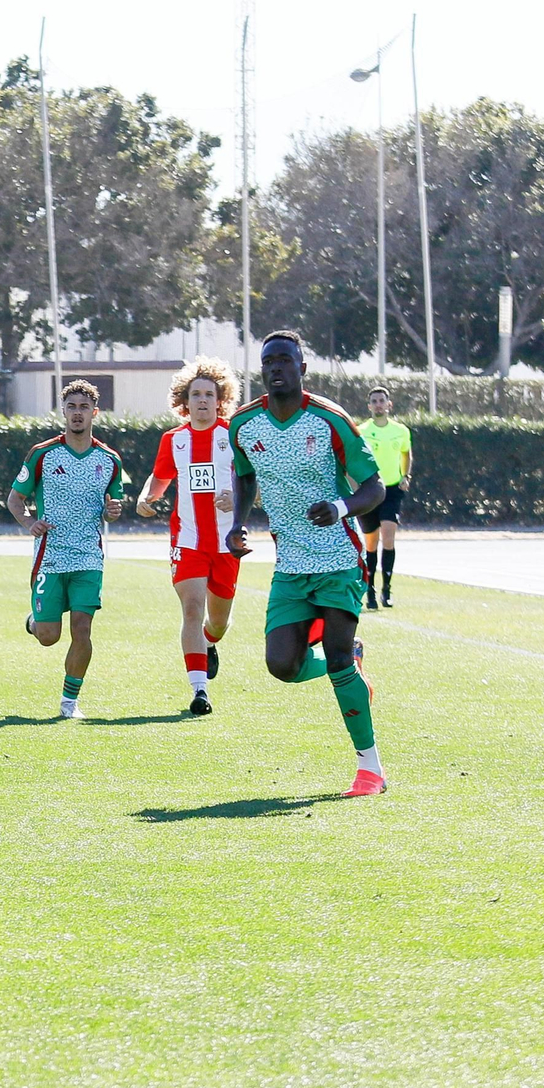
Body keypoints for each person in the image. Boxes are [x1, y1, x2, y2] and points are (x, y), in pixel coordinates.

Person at [225, 331, 389, 797]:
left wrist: (340, 507)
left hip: (339, 557)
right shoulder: (244, 425)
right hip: (290, 565)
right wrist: (237, 523)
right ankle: (353, 659)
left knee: (336, 660)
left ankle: (370, 769)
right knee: (282, 665)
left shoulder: (330, 419)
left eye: (285, 360)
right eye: (268, 362)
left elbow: (374, 487)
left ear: (302, 369)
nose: (276, 367)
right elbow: (244, 475)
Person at [7, 379, 125, 720]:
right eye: (71, 407)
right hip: (50, 556)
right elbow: (15, 499)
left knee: (82, 629)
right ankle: (35, 621)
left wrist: (112, 512)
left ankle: (69, 702)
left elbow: (111, 507)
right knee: (48, 636)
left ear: (94, 413)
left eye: (83, 407)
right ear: (63, 411)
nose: (77, 413)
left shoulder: (109, 459)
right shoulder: (43, 454)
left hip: (88, 557)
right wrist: (29, 523)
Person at [135, 357, 242, 717]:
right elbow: (160, 478)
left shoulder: (233, 436)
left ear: (220, 400)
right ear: (185, 400)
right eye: (196, 394)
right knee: (192, 608)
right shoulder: (174, 440)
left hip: (227, 542)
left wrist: (236, 498)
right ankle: (199, 691)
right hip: (187, 540)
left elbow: (253, 483)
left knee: (219, 623)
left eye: (209, 395)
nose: (202, 400)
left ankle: (209, 642)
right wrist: (147, 497)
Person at [358, 386, 413, 609]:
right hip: (371, 489)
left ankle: (387, 590)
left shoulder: (400, 430)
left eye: (382, 401)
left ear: (389, 404)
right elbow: (353, 459)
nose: (378, 405)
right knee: (371, 543)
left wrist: (405, 475)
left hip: (391, 490)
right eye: (374, 401)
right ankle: (369, 590)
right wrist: (356, 484)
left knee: (388, 537)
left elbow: (406, 453)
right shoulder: (361, 431)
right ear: (369, 406)